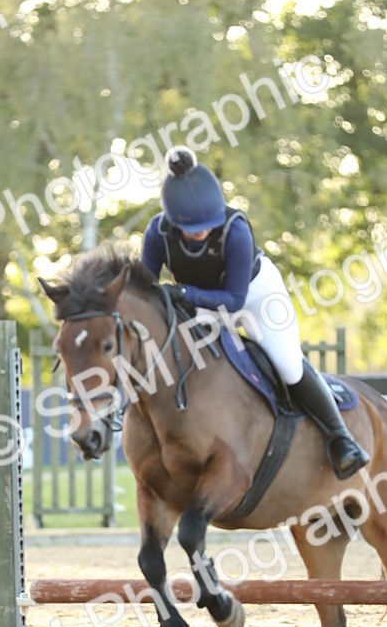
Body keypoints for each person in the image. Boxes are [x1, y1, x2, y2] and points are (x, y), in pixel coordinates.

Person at [140, 145, 370, 480]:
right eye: (194, 228)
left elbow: (233, 300)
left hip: (255, 298)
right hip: (202, 307)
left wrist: (184, 293)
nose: (203, 231)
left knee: (289, 367)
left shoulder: (235, 230)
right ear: (174, 222)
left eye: (208, 223)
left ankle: (342, 439)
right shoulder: (158, 232)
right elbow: (145, 286)